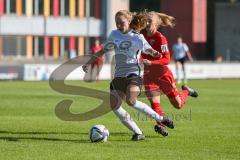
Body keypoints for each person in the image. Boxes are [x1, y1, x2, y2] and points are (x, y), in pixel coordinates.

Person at [82, 10, 174, 141]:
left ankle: (161, 119)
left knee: (131, 101)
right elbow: (103, 50)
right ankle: (138, 133)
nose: (119, 25)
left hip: (134, 73)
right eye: (117, 23)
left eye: (122, 22)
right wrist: (88, 63)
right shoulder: (114, 35)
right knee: (114, 106)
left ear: (129, 22)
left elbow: (147, 49)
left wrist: (154, 53)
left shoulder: (137, 37)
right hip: (119, 75)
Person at [141, 11, 198, 136]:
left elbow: (166, 59)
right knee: (155, 104)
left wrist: (151, 62)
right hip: (149, 76)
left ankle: (186, 91)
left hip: (163, 75)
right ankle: (160, 125)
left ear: (156, 24)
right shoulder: (141, 37)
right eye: (146, 20)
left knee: (177, 105)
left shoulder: (161, 38)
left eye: (150, 21)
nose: (147, 23)